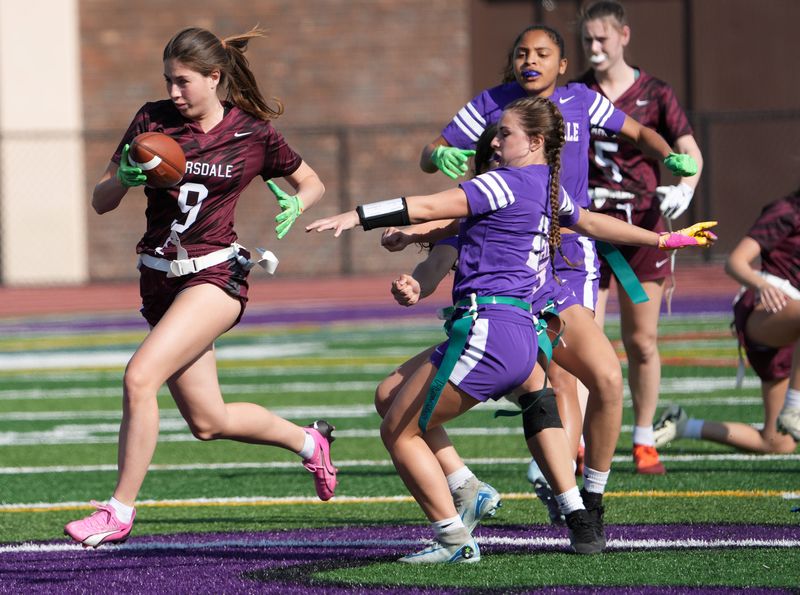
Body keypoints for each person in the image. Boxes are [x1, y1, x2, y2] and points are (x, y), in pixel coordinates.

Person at [307, 95, 716, 563]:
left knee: (400, 434)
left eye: (504, 135)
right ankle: (507, 495)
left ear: (535, 141)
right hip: (520, 329)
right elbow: (586, 222)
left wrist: (356, 215)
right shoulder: (548, 187)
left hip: (493, 329)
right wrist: (663, 238)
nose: (495, 143)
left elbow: (428, 205)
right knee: (394, 394)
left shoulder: (501, 185)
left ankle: (454, 538)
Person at [64, 27, 336, 548]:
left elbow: (311, 180)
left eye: (184, 82)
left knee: (139, 377)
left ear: (215, 77)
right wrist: (122, 176)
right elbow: (101, 201)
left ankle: (117, 510)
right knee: (209, 421)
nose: (174, 92)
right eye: (168, 80)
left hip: (214, 276)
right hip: (157, 279)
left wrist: (297, 203)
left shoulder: (251, 132)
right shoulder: (152, 120)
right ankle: (310, 442)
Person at [416, 23, 698, 525]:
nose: (531, 60)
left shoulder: (583, 101)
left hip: (569, 255)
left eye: (543, 53)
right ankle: (559, 481)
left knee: (595, 374)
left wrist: (672, 158)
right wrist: (439, 154)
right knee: (547, 376)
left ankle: (580, 490)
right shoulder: (491, 103)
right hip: (508, 257)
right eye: (522, 52)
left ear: (562, 65)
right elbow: (431, 157)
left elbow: (640, 133)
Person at [575, 0, 704, 474]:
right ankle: (581, 440)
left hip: (643, 226)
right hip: (587, 228)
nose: (594, 47)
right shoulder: (576, 93)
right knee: (585, 340)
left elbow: (690, 152)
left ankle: (645, 437)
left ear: (623, 36)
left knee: (642, 340)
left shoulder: (656, 92)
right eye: (587, 39)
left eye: (602, 38)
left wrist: (685, 189)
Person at [654, 189, 799, 453]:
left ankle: (683, 424)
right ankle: (795, 406)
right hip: (767, 313)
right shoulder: (787, 211)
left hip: (792, 330)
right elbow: (735, 262)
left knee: (777, 443)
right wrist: (762, 284)